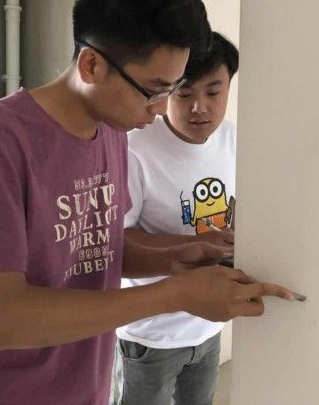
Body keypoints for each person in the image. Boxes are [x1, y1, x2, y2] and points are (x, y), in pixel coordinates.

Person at [0, 0, 292, 405]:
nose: (160, 110)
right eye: (153, 92)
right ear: (91, 65)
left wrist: (174, 259)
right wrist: (173, 294)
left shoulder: (112, 132)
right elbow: (2, 320)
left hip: (86, 389)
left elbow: (95, 251)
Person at [116, 32, 240, 405]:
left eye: (214, 92)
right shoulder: (135, 150)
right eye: (184, 95)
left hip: (208, 324)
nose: (200, 107)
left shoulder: (234, 140)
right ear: (166, 91)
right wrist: (196, 244)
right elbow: (116, 241)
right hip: (150, 332)